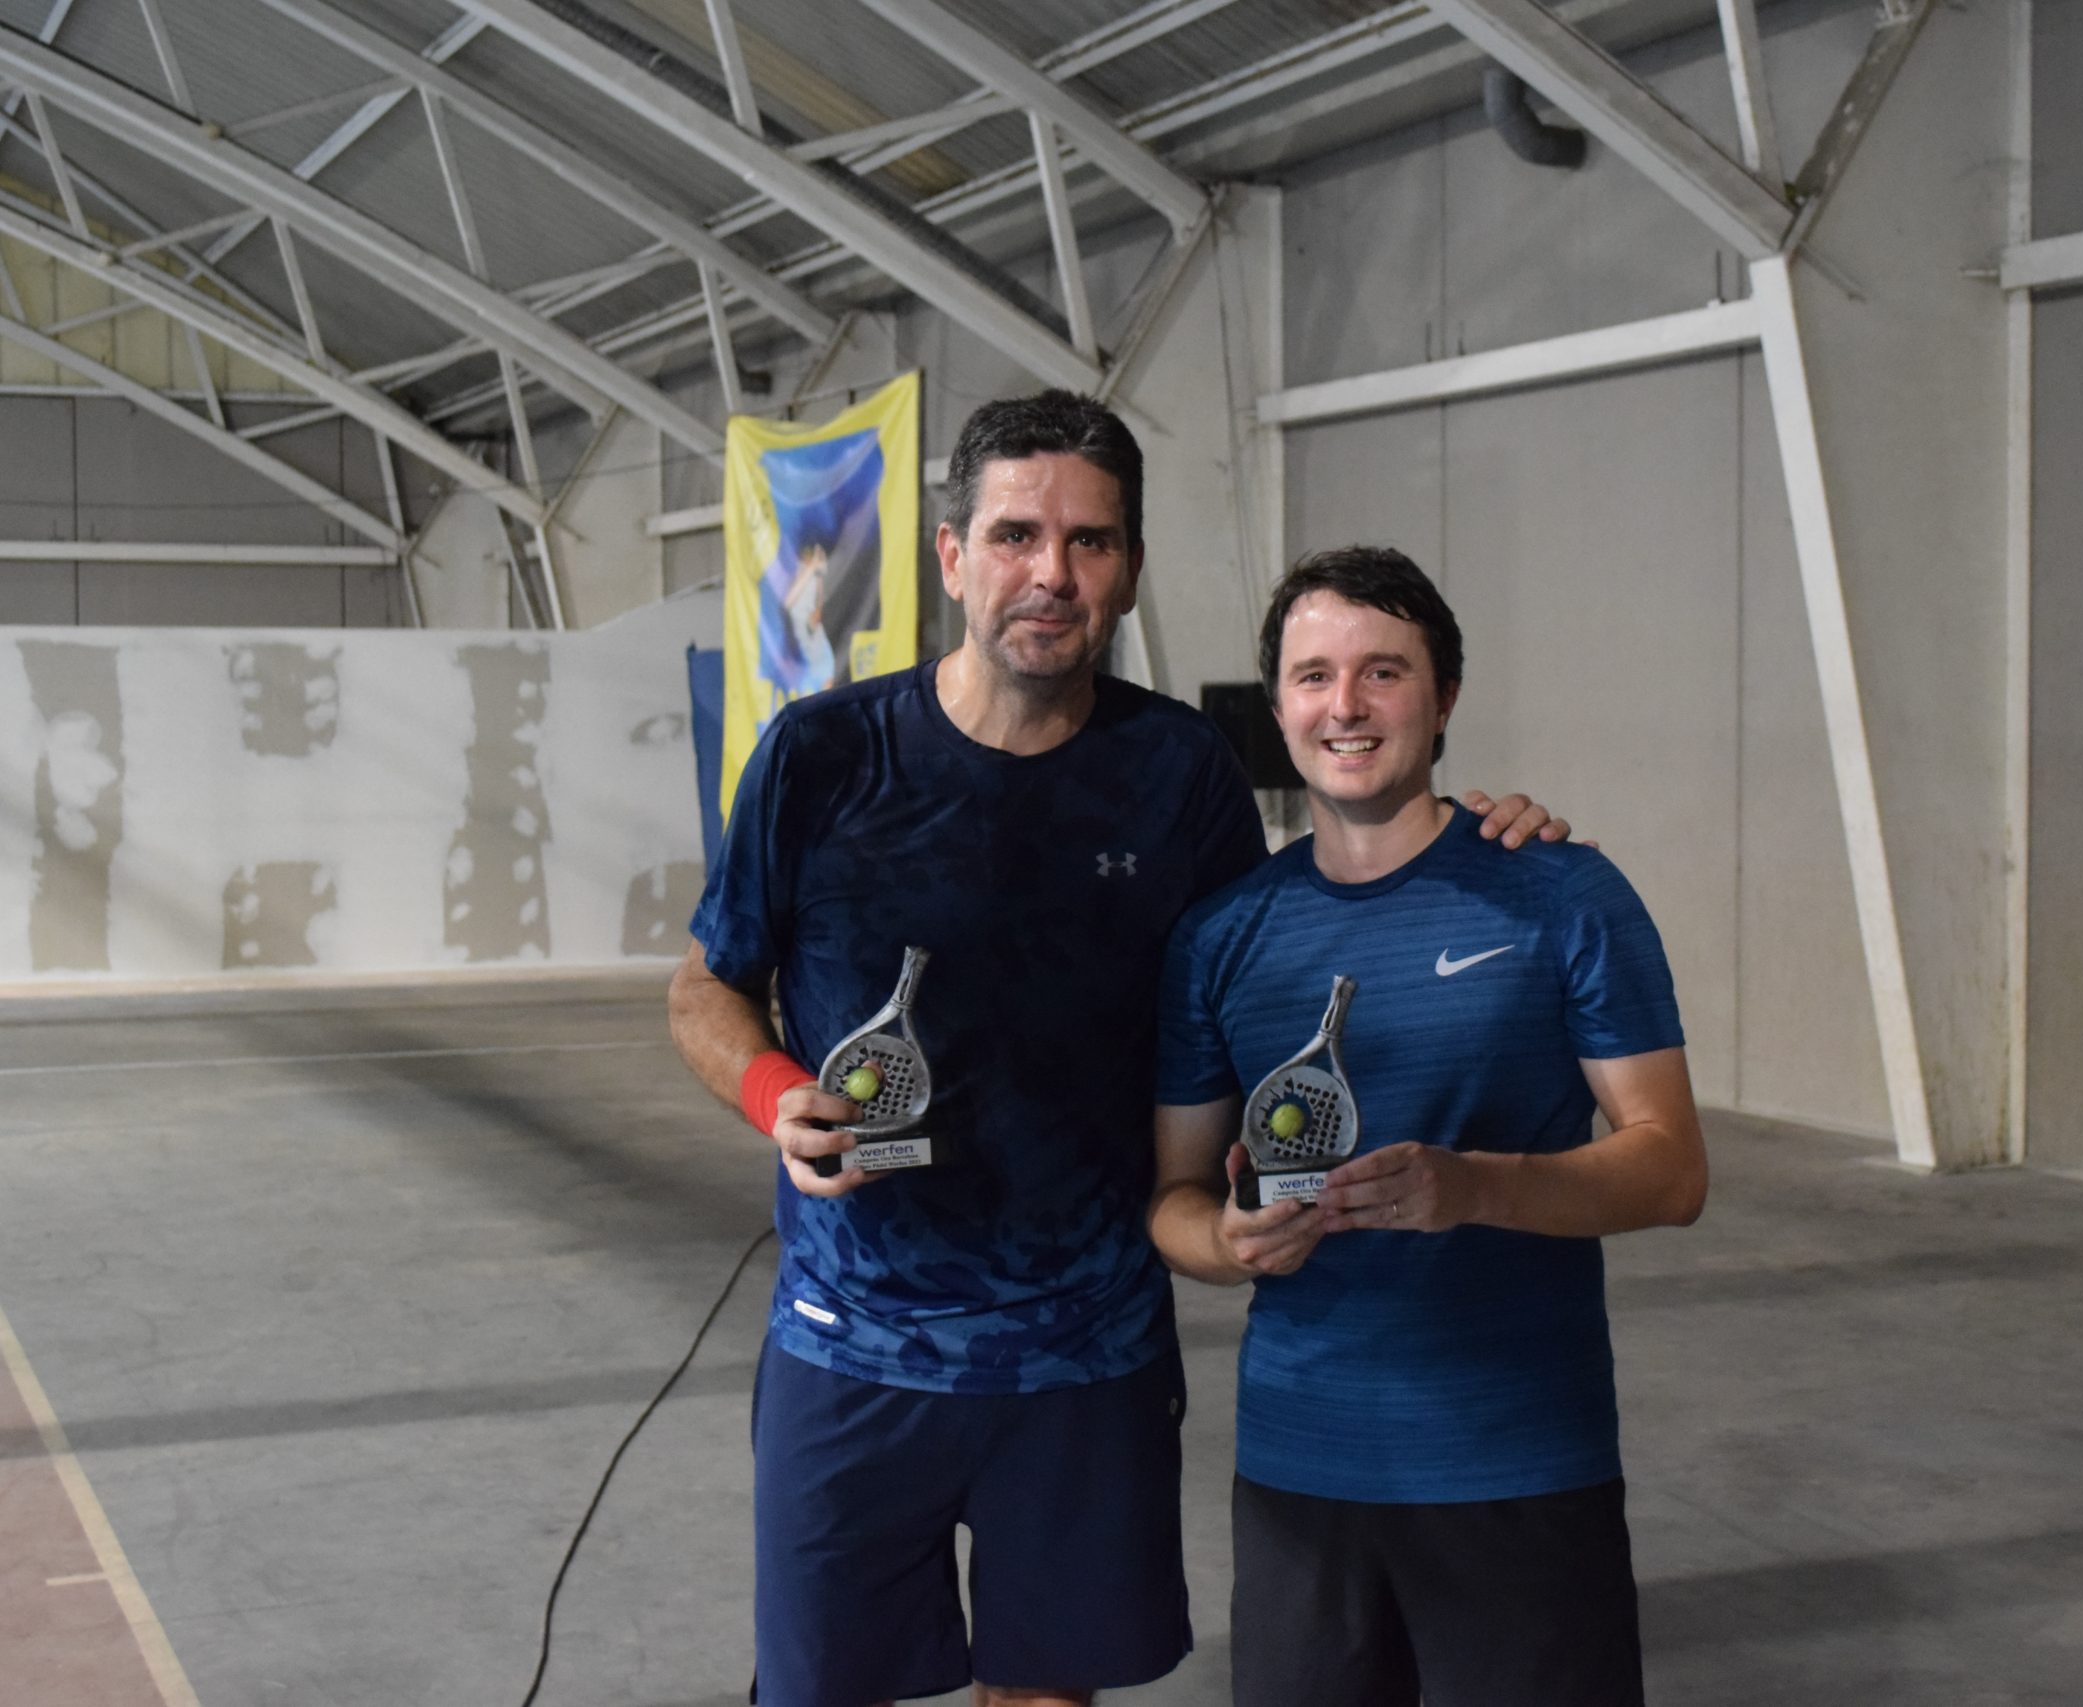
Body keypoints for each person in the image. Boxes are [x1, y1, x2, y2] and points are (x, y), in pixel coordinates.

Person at [667, 392, 1570, 1707]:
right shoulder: (823, 755)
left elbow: (1273, 965)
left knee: (1047, 1691)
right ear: (953, 556)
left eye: (1089, 541)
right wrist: (776, 1093)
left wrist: (1463, 842)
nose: (1052, 572)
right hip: (851, 1340)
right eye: (1016, 535)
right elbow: (708, 981)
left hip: (1086, 1347)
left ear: (1131, 567)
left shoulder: (1178, 770)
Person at [1150, 546, 1708, 1707]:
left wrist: (1477, 1188)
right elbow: (1175, 1200)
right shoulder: (1221, 937)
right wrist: (1229, 1243)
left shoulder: (1560, 893)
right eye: (1312, 676)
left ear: (1444, 697)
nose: (1344, 706)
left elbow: (1670, 1170)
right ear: (1278, 707)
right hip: (1301, 1473)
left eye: (1383, 672)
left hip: (1518, 1463)